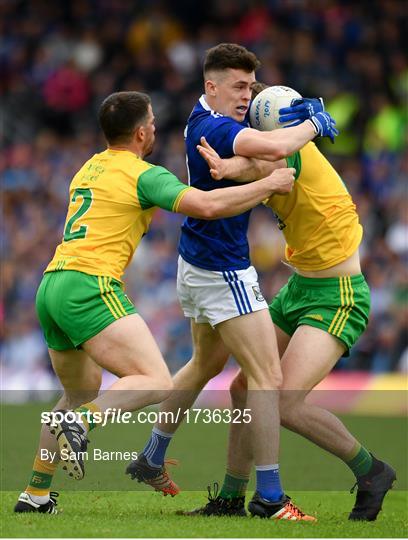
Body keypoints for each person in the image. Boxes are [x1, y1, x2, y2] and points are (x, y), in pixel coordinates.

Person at [14, 90, 297, 514]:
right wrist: (267, 185)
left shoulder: (88, 167)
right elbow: (203, 206)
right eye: (151, 122)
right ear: (143, 132)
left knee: (78, 392)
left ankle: (35, 494)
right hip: (88, 285)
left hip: (51, 285)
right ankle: (82, 423)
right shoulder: (144, 174)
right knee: (153, 380)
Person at [127, 43, 338, 521]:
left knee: (203, 364)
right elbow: (277, 151)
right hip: (223, 270)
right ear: (212, 86)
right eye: (239, 86)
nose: (247, 95)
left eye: (250, 86)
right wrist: (313, 123)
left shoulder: (203, 119)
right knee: (267, 379)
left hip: (195, 262)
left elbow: (254, 161)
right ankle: (269, 498)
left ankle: (153, 454)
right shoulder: (217, 126)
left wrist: (274, 124)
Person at [175, 82, 397, 522]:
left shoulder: (289, 152)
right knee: (244, 387)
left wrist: (224, 166)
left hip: (339, 295)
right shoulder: (283, 150)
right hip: (300, 288)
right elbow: (255, 161)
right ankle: (231, 499)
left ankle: (372, 471)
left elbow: (253, 162)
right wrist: (227, 164)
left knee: (282, 400)